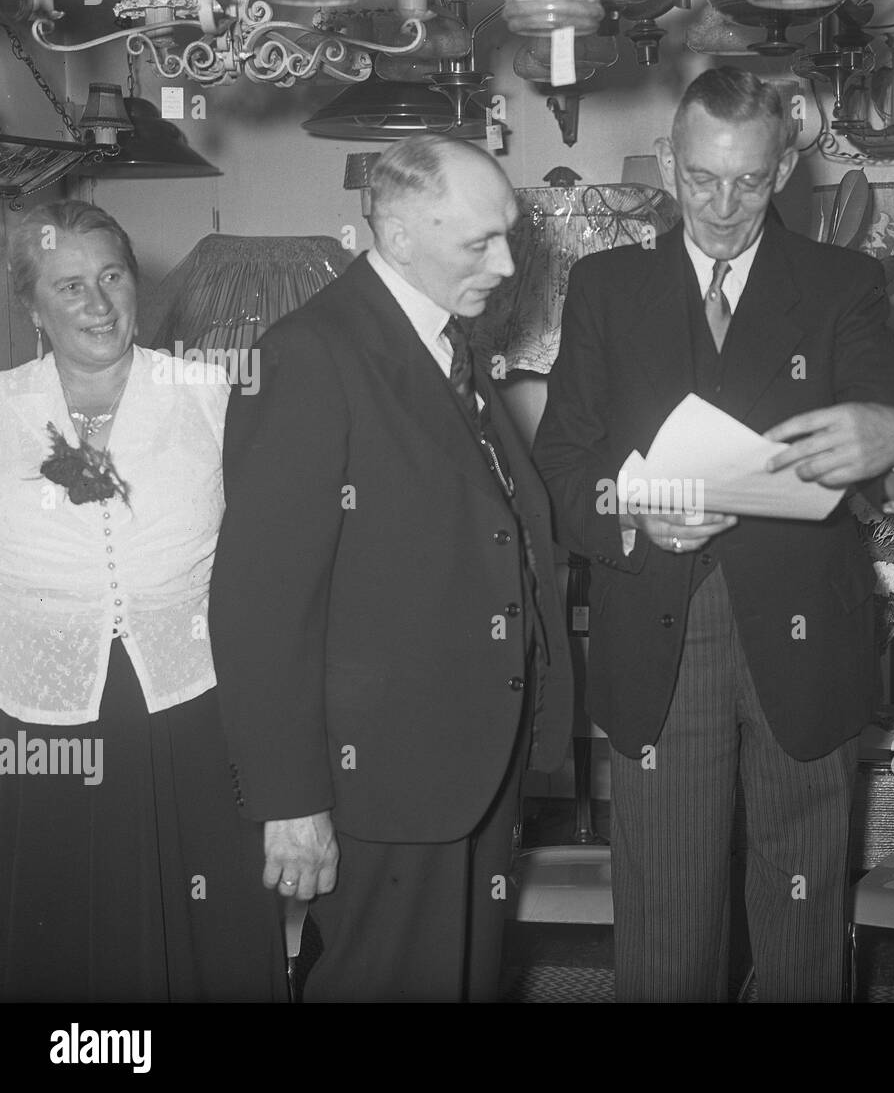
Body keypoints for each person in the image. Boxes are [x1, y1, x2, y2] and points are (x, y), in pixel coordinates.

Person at [533, 67, 894, 1002]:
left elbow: (891, 439)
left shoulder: (844, 284)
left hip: (805, 638)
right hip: (661, 636)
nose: (722, 205)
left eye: (749, 181)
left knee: (801, 929)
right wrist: (632, 513)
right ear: (671, 163)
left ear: (785, 165)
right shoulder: (606, 286)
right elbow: (561, 464)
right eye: (702, 178)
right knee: (667, 929)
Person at [209, 135, 573, 1002]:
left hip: (463, 769)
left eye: (509, 235)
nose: (508, 260)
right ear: (400, 236)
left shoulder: (449, 349)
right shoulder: (310, 353)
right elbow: (260, 604)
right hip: (382, 782)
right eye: (480, 241)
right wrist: (292, 801)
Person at [0, 199, 281, 1001]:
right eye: (70, 286)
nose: (98, 302)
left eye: (112, 276)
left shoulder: (211, 393)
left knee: (206, 930)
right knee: (65, 928)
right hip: (42, 720)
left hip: (192, 706)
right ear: (33, 309)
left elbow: (273, 554)